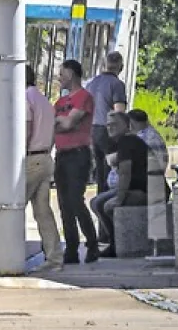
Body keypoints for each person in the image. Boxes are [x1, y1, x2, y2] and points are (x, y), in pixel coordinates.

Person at [53, 59, 100, 264]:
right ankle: (71, 249)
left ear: (71, 74)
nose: (59, 77)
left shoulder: (84, 97)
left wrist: (59, 122)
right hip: (61, 154)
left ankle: (92, 243)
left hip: (78, 154)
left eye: (62, 73)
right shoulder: (59, 103)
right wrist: (59, 123)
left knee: (75, 200)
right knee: (63, 204)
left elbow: (70, 123)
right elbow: (57, 124)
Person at [88, 111, 149, 257]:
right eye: (108, 125)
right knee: (95, 202)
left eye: (115, 124)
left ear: (127, 125)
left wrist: (120, 199)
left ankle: (117, 244)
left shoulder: (128, 141)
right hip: (135, 188)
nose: (110, 127)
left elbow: (125, 173)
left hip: (146, 191)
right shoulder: (122, 142)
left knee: (107, 205)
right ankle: (114, 242)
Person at [25, 65, 64, 271]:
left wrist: (18, 154)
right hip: (46, 158)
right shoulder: (45, 101)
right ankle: (54, 258)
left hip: (30, 159)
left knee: (8, 207)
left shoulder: (25, 98)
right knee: (43, 212)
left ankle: (0, 255)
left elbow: (26, 129)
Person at [85, 52, 128, 198]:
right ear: (120, 67)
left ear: (105, 64)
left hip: (93, 131)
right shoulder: (117, 84)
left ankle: (100, 208)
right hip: (109, 132)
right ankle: (110, 208)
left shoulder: (91, 84)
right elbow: (119, 112)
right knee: (112, 171)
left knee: (100, 174)